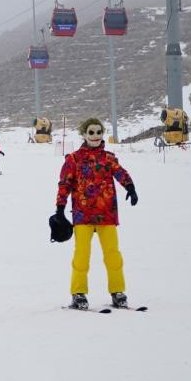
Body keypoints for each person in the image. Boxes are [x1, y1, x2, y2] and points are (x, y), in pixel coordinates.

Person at [52, 117, 138, 310]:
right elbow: (64, 183)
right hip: (83, 214)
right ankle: (78, 293)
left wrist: (130, 187)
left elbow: (120, 172)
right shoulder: (73, 159)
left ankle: (118, 291)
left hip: (106, 213)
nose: (96, 136)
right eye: (91, 132)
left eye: (99, 132)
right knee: (82, 255)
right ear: (84, 134)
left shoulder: (108, 158)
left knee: (113, 255)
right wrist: (60, 208)